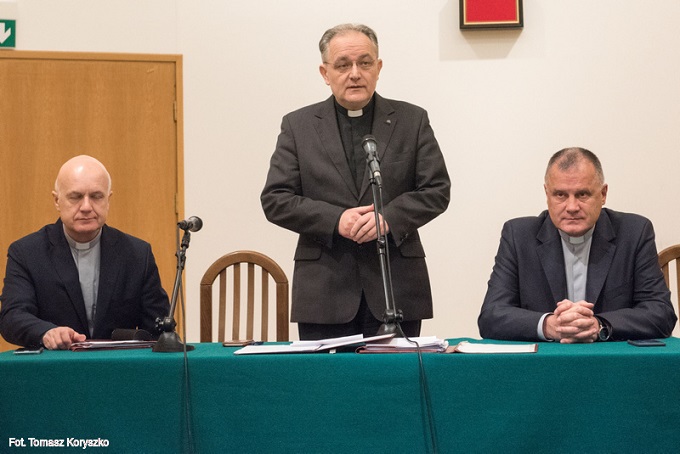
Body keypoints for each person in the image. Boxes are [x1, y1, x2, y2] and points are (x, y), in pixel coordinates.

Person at [261, 24, 450, 340]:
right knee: (329, 374)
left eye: (364, 63)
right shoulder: (298, 125)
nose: (355, 74)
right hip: (324, 289)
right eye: (343, 65)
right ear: (325, 73)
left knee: (395, 374)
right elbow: (276, 199)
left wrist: (388, 218)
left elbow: (436, 189)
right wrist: (336, 220)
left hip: (395, 287)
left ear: (378, 67)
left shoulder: (411, 120)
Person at [478, 147, 676, 343]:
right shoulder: (518, 236)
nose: (572, 207)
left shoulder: (634, 233)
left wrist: (599, 325)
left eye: (582, 194)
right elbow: (491, 316)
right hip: (544, 360)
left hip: (609, 360)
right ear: (547, 194)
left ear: (603, 194)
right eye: (560, 195)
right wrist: (549, 325)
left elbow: (661, 313)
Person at [0, 155, 170, 349]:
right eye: (76, 197)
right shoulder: (27, 253)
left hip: (118, 364)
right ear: (57, 200)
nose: (87, 207)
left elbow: (158, 328)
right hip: (55, 363)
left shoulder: (138, 254)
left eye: (96, 196)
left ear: (108, 200)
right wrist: (46, 333)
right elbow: (12, 317)